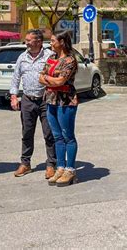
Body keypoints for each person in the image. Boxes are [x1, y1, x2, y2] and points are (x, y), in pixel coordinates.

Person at [10, 29, 56, 179]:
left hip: (45, 100)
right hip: (27, 100)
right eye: (26, 40)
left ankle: (51, 164)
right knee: (26, 133)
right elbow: (16, 77)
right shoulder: (22, 57)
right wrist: (13, 96)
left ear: (39, 41)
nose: (26, 42)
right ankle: (25, 163)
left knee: (49, 134)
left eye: (29, 40)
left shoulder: (50, 56)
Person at [39, 31, 79, 187]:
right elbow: (40, 77)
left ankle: (70, 169)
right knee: (57, 136)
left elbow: (61, 80)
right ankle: (60, 167)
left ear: (62, 42)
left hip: (65, 101)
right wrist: (51, 80)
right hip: (50, 100)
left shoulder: (70, 60)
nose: (50, 43)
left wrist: (48, 80)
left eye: (53, 41)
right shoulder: (51, 58)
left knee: (68, 135)